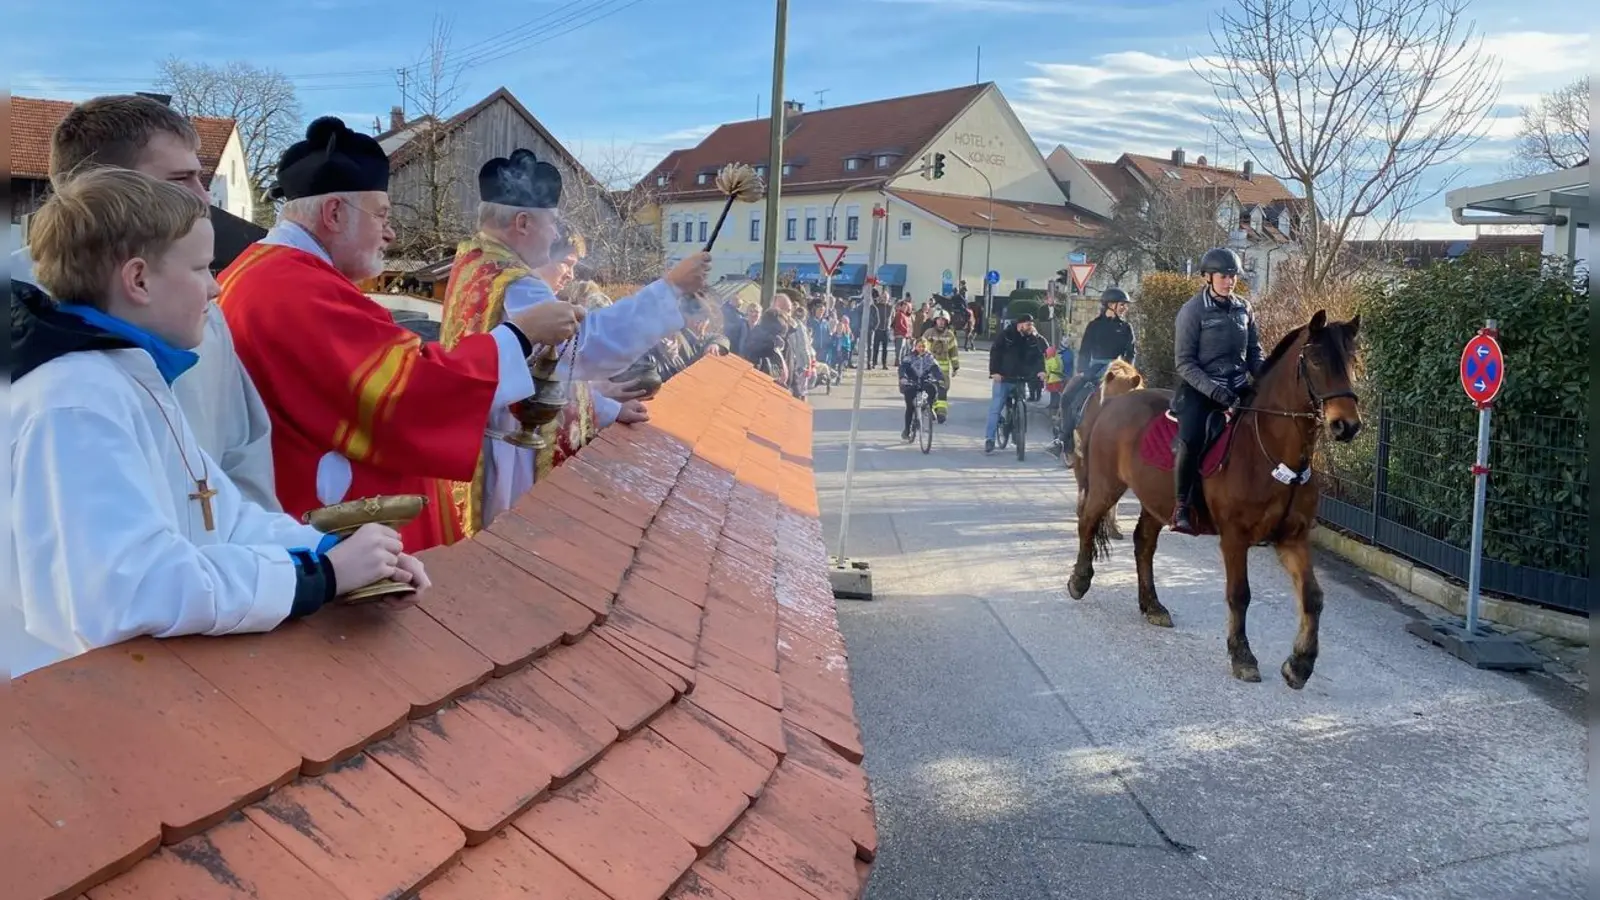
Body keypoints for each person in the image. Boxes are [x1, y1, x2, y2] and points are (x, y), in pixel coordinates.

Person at [10, 169, 429, 676]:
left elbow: (224, 519)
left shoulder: (128, 374)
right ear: (138, 280)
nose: (215, 289)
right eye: (202, 268)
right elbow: (131, 590)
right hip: (75, 699)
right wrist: (318, 577)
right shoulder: (75, 403)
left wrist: (335, 551)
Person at [218, 117, 584, 550]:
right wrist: (518, 335)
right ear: (335, 213)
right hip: (327, 523)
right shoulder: (295, 287)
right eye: (382, 215)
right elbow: (405, 392)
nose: (390, 232)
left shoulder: (263, 269)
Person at [10, 94, 278, 510]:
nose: (204, 198)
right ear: (104, 189)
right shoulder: (18, 309)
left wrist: (287, 565)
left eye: (201, 179)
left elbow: (243, 456)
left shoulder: (204, 311)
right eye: (179, 180)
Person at [438, 151, 709, 534]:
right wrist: (671, 288)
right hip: (505, 455)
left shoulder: (471, 262)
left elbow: (540, 369)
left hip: (471, 442)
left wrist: (606, 408)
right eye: (552, 223)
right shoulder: (517, 283)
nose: (553, 234)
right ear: (523, 222)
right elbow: (585, 348)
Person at [1170, 248, 1263, 534]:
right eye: (1224, 275)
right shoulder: (1192, 310)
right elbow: (1184, 363)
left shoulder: (1244, 308)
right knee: (1192, 438)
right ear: (1208, 277)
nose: (1229, 281)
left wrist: (1266, 375)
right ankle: (1182, 505)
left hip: (1237, 387)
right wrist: (1215, 391)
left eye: (1233, 275)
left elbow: (1254, 352)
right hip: (1201, 388)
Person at [1059, 287, 1138, 458]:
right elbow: (1085, 349)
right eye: (1122, 304)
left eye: (1125, 305)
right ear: (1110, 305)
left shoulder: (1126, 327)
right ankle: (1066, 441)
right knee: (1067, 398)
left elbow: (1131, 352)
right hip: (1094, 367)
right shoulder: (1094, 326)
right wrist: (1082, 371)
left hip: (1117, 369)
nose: (1125, 308)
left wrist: (1127, 370)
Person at [984, 314, 1045, 454]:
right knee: (996, 408)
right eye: (1028, 325)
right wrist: (994, 372)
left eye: (1031, 324)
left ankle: (1019, 433)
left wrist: (1041, 371)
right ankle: (990, 439)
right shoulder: (1006, 335)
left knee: (1021, 406)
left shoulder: (1032, 338)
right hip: (1004, 377)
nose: (1030, 327)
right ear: (1020, 325)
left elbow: (1040, 354)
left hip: (1021, 378)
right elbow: (995, 352)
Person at [898, 338, 946, 441]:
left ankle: (928, 408)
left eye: (923, 346)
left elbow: (936, 369)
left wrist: (940, 379)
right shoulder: (909, 357)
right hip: (912, 382)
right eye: (919, 346)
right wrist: (903, 377)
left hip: (925, 381)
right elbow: (903, 368)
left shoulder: (930, 358)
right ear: (915, 347)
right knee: (910, 406)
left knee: (932, 389)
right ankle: (907, 429)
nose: (921, 348)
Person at [922, 309, 960, 423]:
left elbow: (954, 352)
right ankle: (931, 410)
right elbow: (923, 348)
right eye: (939, 320)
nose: (941, 322)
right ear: (935, 321)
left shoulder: (950, 335)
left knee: (943, 391)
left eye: (943, 320)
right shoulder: (929, 333)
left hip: (943, 370)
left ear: (947, 322)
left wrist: (955, 366)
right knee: (931, 390)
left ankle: (941, 413)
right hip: (929, 368)